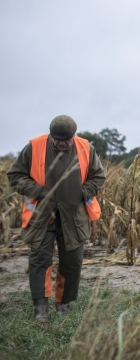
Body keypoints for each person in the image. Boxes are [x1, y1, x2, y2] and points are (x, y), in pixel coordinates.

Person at [7, 115, 105, 322]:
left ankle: (63, 304)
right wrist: (39, 191)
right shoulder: (34, 147)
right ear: (51, 135)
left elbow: (98, 176)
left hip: (74, 217)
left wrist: (82, 192)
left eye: (66, 140)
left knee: (72, 261)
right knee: (39, 260)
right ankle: (41, 307)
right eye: (57, 139)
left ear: (74, 136)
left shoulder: (86, 148)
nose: (61, 143)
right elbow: (15, 176)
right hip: (42, 216)